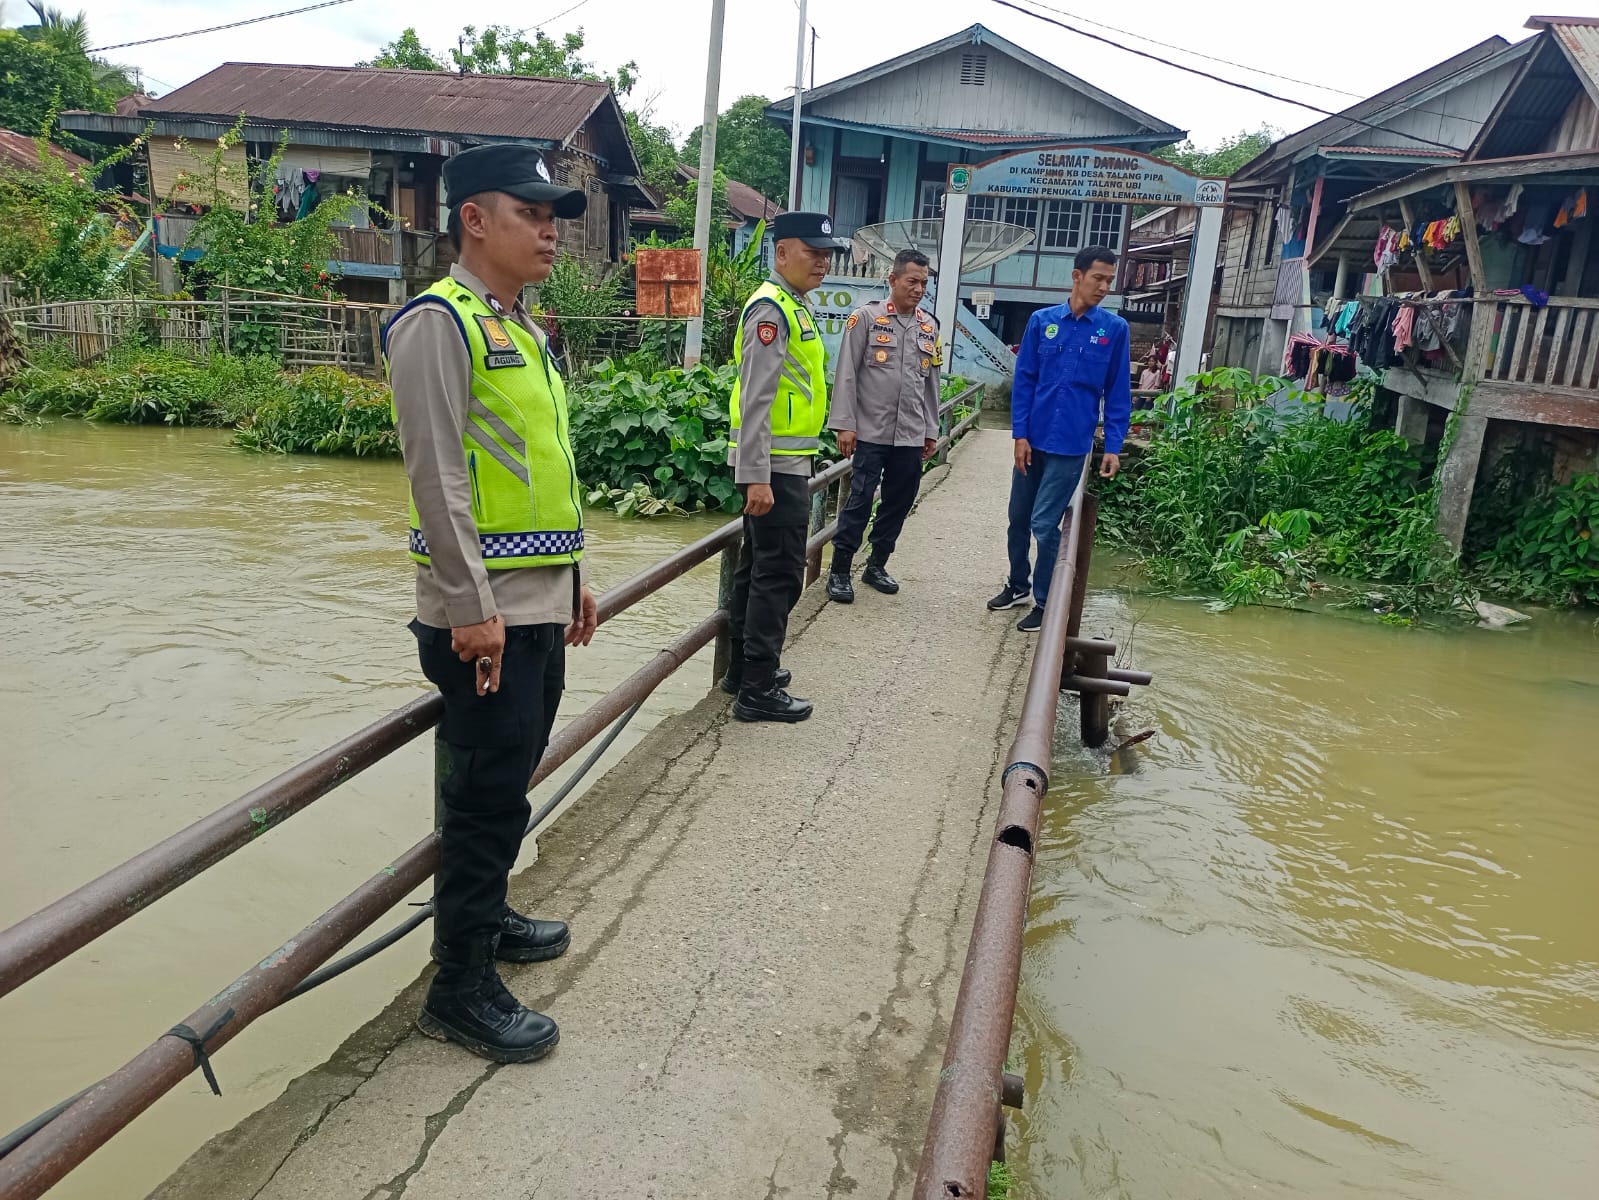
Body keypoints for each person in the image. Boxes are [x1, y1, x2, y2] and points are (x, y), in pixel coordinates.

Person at [384, 144, 599, 1064]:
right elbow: (437, 478)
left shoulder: (524, 329)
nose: (551, 231)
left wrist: (577, 577)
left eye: (556, 216)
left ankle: (490, 917)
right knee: (480, 802)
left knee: (506, 786)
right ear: (474, 218)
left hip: (537, 602)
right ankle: (458, 985)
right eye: (532, 213)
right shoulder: (440, 323)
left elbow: (546, 468)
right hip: (484, 619)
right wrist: (472, 607)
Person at [725, 211, 847, 723]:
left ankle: (744, 670)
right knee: (779, 575)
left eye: (826, 253)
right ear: (781, 253)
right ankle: (756, 689)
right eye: (811, 252)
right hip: (773, 466)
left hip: (785, 461)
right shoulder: (771, 310)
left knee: (758, 570)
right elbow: (757, 397)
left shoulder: (793, 306)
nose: (822, 261)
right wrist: (755, 475)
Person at [988, 245, 1130, 633]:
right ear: (1077, 275)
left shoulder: (1113, 330)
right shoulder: (1041, 321)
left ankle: (1045, 601)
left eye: (1109, 281)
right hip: (1033, 438)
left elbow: (1117, 393)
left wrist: (1113, 445)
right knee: (1017, 518)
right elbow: (1025, 382)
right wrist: (1019, 435)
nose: (1104, 287)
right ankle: (1017, 584)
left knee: (1044, 522)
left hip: (1071, 445)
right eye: (1098, 278)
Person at [825, 248, 942, 603]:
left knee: (899, 500)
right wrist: (845, 425)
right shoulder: (865, 319)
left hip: (909, 433)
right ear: (893, 280)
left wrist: (931, 430)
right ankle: (840, 569)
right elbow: (846, 374)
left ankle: (877, 563)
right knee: (859, 498)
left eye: (923, 283)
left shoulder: (929, 327)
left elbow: (932, 383)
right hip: (871, 431)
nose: (918, 289)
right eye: (912, 281)